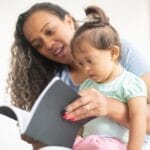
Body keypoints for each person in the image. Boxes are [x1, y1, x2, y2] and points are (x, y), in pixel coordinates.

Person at [7, 2, 150, 149]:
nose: (48, 44)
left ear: (69, 22)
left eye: (50, 31)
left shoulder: (112, 51)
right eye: (38, 44)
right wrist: (39, 138)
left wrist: (108, 106)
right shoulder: (60, 83)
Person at [67, 5, 147, 150]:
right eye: (81, 63)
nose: (85, 68)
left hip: (118, 144)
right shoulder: (86, 86)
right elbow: (80, 121)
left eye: (89, 60)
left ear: (113, 53)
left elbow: (138, 121)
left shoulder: (131, 83)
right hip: (89, 143)